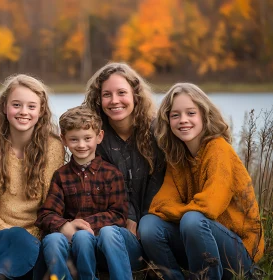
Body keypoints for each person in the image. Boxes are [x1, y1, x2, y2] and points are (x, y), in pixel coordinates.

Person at [138, 83, 265, 280]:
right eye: (175, 115)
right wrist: (188, 213)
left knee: (192, 220)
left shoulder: (218, 150)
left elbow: (209, 207)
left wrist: (184, 213)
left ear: (205, 116)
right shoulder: (178, 158)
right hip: (202, 241)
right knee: (148, 225)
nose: (183, 120)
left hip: (240, 254)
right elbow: (159, 205)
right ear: (167, 121)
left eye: (191, 113)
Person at [0, 74, 65, 279]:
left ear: (41, 111)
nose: (24, 112)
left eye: (31, 106)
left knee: (33, 250)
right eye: (16, 105)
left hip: (37, 235)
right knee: (19, 243)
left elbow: (50, 204)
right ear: (5, 107)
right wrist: (6, 232)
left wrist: (32, 237)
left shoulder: (53, 146)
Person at [82, 62, 166, 277]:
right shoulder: (95, 139)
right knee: (109, 233)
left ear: (136, 95)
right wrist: (127, 216)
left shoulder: (157, 132)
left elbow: (159, 182)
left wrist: (141, 219)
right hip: (114, 229)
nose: (114, 101)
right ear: (98, 99)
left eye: (122, 93)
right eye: (107, 94)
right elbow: (107, 188)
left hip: (154, 228)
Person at [35, 106, 128, 280]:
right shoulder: (61, 175)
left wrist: (83, 224)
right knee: (51, 240)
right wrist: (66, 226)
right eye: (74, 139)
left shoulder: (112, 174)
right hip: (72, 243)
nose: (82, 145)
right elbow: (46, 214)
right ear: (64, 139)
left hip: (102, 243)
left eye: (87, 138)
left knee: (84, 236)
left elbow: (119, 215)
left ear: (99, 137)